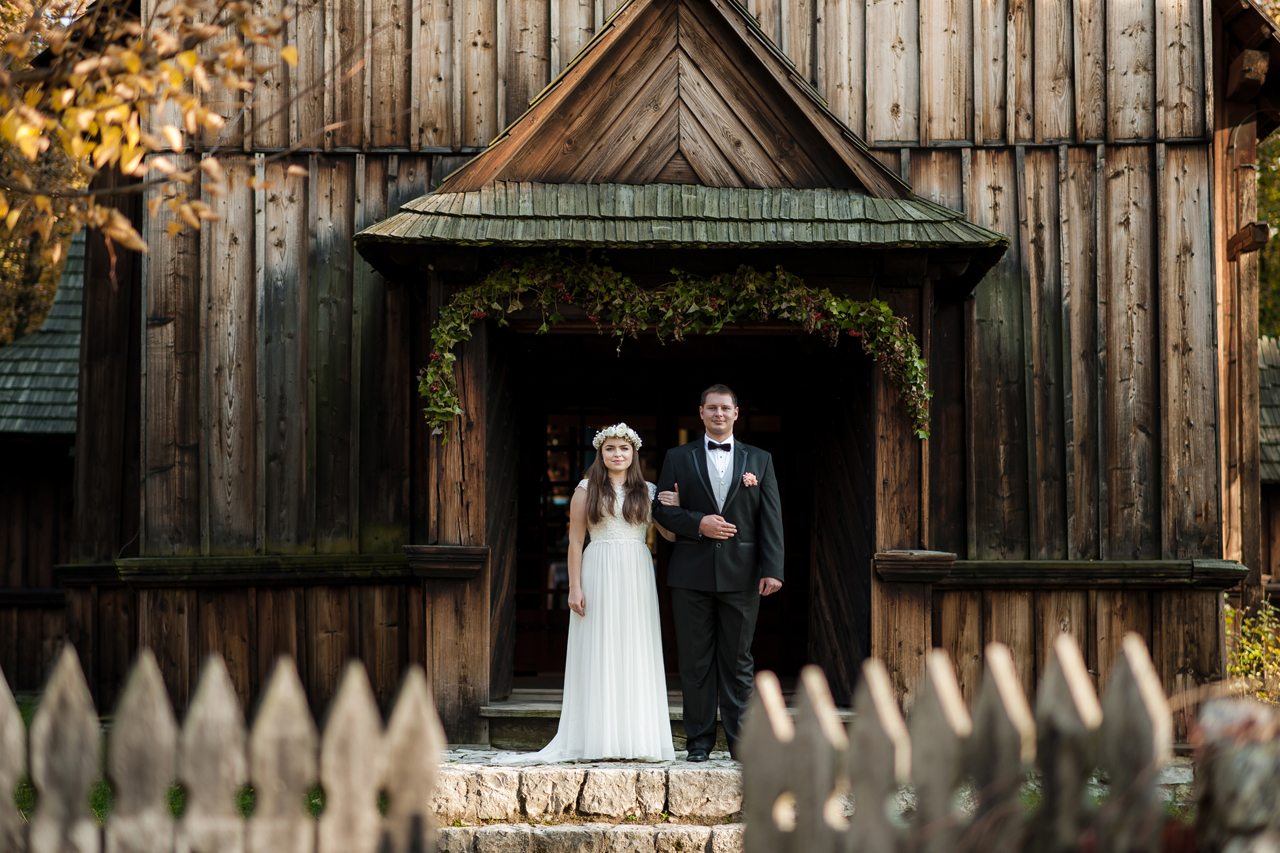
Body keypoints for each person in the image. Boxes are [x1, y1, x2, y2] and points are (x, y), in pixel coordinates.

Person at [506, 423, 677, 762]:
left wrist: (675, 505)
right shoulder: (586, 488)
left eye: (624, 449)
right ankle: (599, 738)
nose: (617, 454)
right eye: (610, 448)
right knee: (601, 647)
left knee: (634, 648)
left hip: (636, 572)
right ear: (601, 452)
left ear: (634, 453)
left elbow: (670, 537)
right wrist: (574, 585)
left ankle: (636, 739)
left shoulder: (649, 489)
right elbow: (574, 541)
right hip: (598, 567)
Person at [651, 384, 784, 762]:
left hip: (742, 576)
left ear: (736, 413)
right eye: (712, 408)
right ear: (702, 412)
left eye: (725, 408)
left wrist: (773, 569)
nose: (719, 414)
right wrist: (698, 523)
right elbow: (660, 510)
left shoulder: (760, 460)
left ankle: (742, 744)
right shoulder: (678, 457)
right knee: (695, 663)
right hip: (690, 575)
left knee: (738, 661)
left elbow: (770, 519)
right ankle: (699, 743)